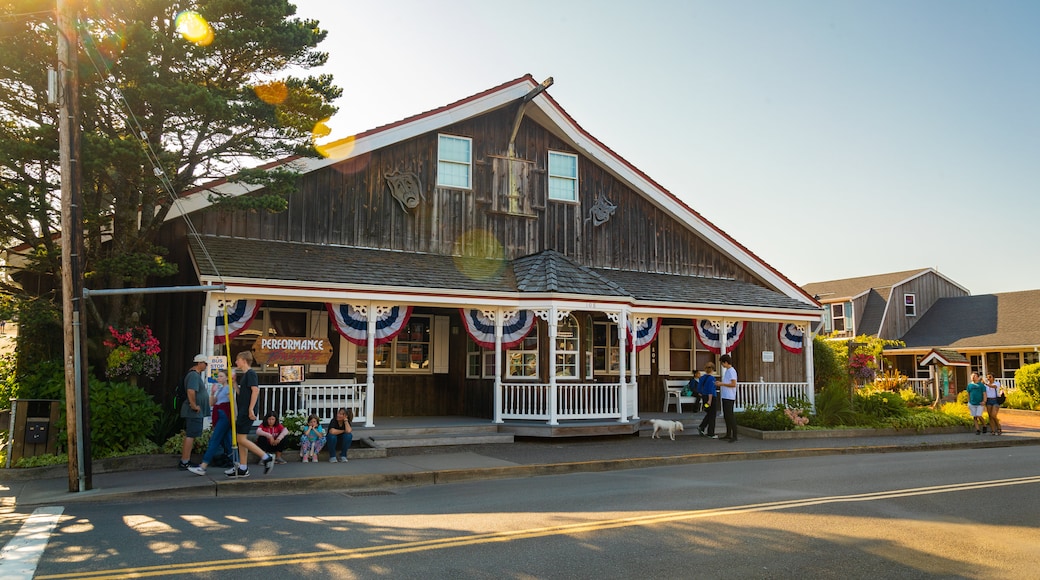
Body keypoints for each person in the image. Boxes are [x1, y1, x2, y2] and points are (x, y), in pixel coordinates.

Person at [225, 350, 274, 478]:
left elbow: (255, 391)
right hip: (243, 410)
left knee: (240, 439)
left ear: (244, 360)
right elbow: (242, 394)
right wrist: (234, 383)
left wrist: (251, 409)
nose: (236, 362)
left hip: (247, 411)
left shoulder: (251, 374)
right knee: (241, 440)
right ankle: (243, 467)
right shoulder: (246, 375)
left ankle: (266, 457)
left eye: (238, 360)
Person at [187, 370, 235, 477]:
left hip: (224, 415)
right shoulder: (221, 389)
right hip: (220, 415)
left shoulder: (228, 388)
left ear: (227, 378)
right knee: (228, 441)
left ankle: (203, 465)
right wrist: (213, 393)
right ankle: (237, 463)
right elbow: (212, 403)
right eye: (218, 376)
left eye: (222, 376)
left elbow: (231, 401)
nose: (219, 378)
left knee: (215, 440)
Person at [178, 355, 210, 469]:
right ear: (199, 363)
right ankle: (184, 461)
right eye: (205, 363)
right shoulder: (193, 376)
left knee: (192, 434)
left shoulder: (194, 375)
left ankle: (186, 460)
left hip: (196, 410)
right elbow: (191, 391)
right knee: (191, 435)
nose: (206, 366)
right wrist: (194, 405)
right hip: (193, 411)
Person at [719, 354, 738, 442]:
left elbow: (733, 384)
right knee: (726, 416)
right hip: (725, 395)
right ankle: (728, 434)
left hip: (729, 396)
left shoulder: (731, 371)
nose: (722, 365)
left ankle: (735, 435)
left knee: (730, 416)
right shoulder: (727, 371)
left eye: (722, 363)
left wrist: (722, 384)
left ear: (726, 362)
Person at [697, 362, 718, 439]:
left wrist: (703, 395)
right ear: (712, 369)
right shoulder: (712, 379)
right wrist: (710, 400)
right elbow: (711, 390)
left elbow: (699, 389)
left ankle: (702, 427)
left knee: (709, 413)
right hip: (711, 398)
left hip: (704, 397)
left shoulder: (702, 378)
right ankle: (710, 433)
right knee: (712, 415)